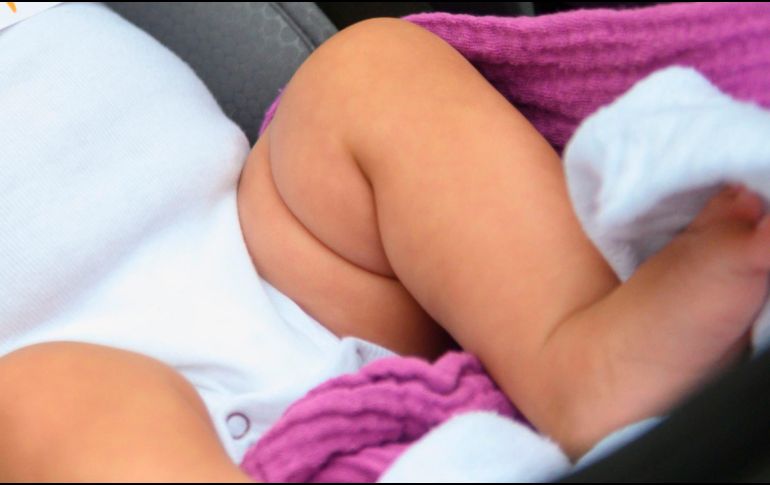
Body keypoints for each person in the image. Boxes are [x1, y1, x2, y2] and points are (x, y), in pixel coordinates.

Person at [0, 10, 765, 482]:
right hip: (44, 419)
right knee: (43, 399)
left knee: (364, 74)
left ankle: (580, 352)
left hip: (275, 278)